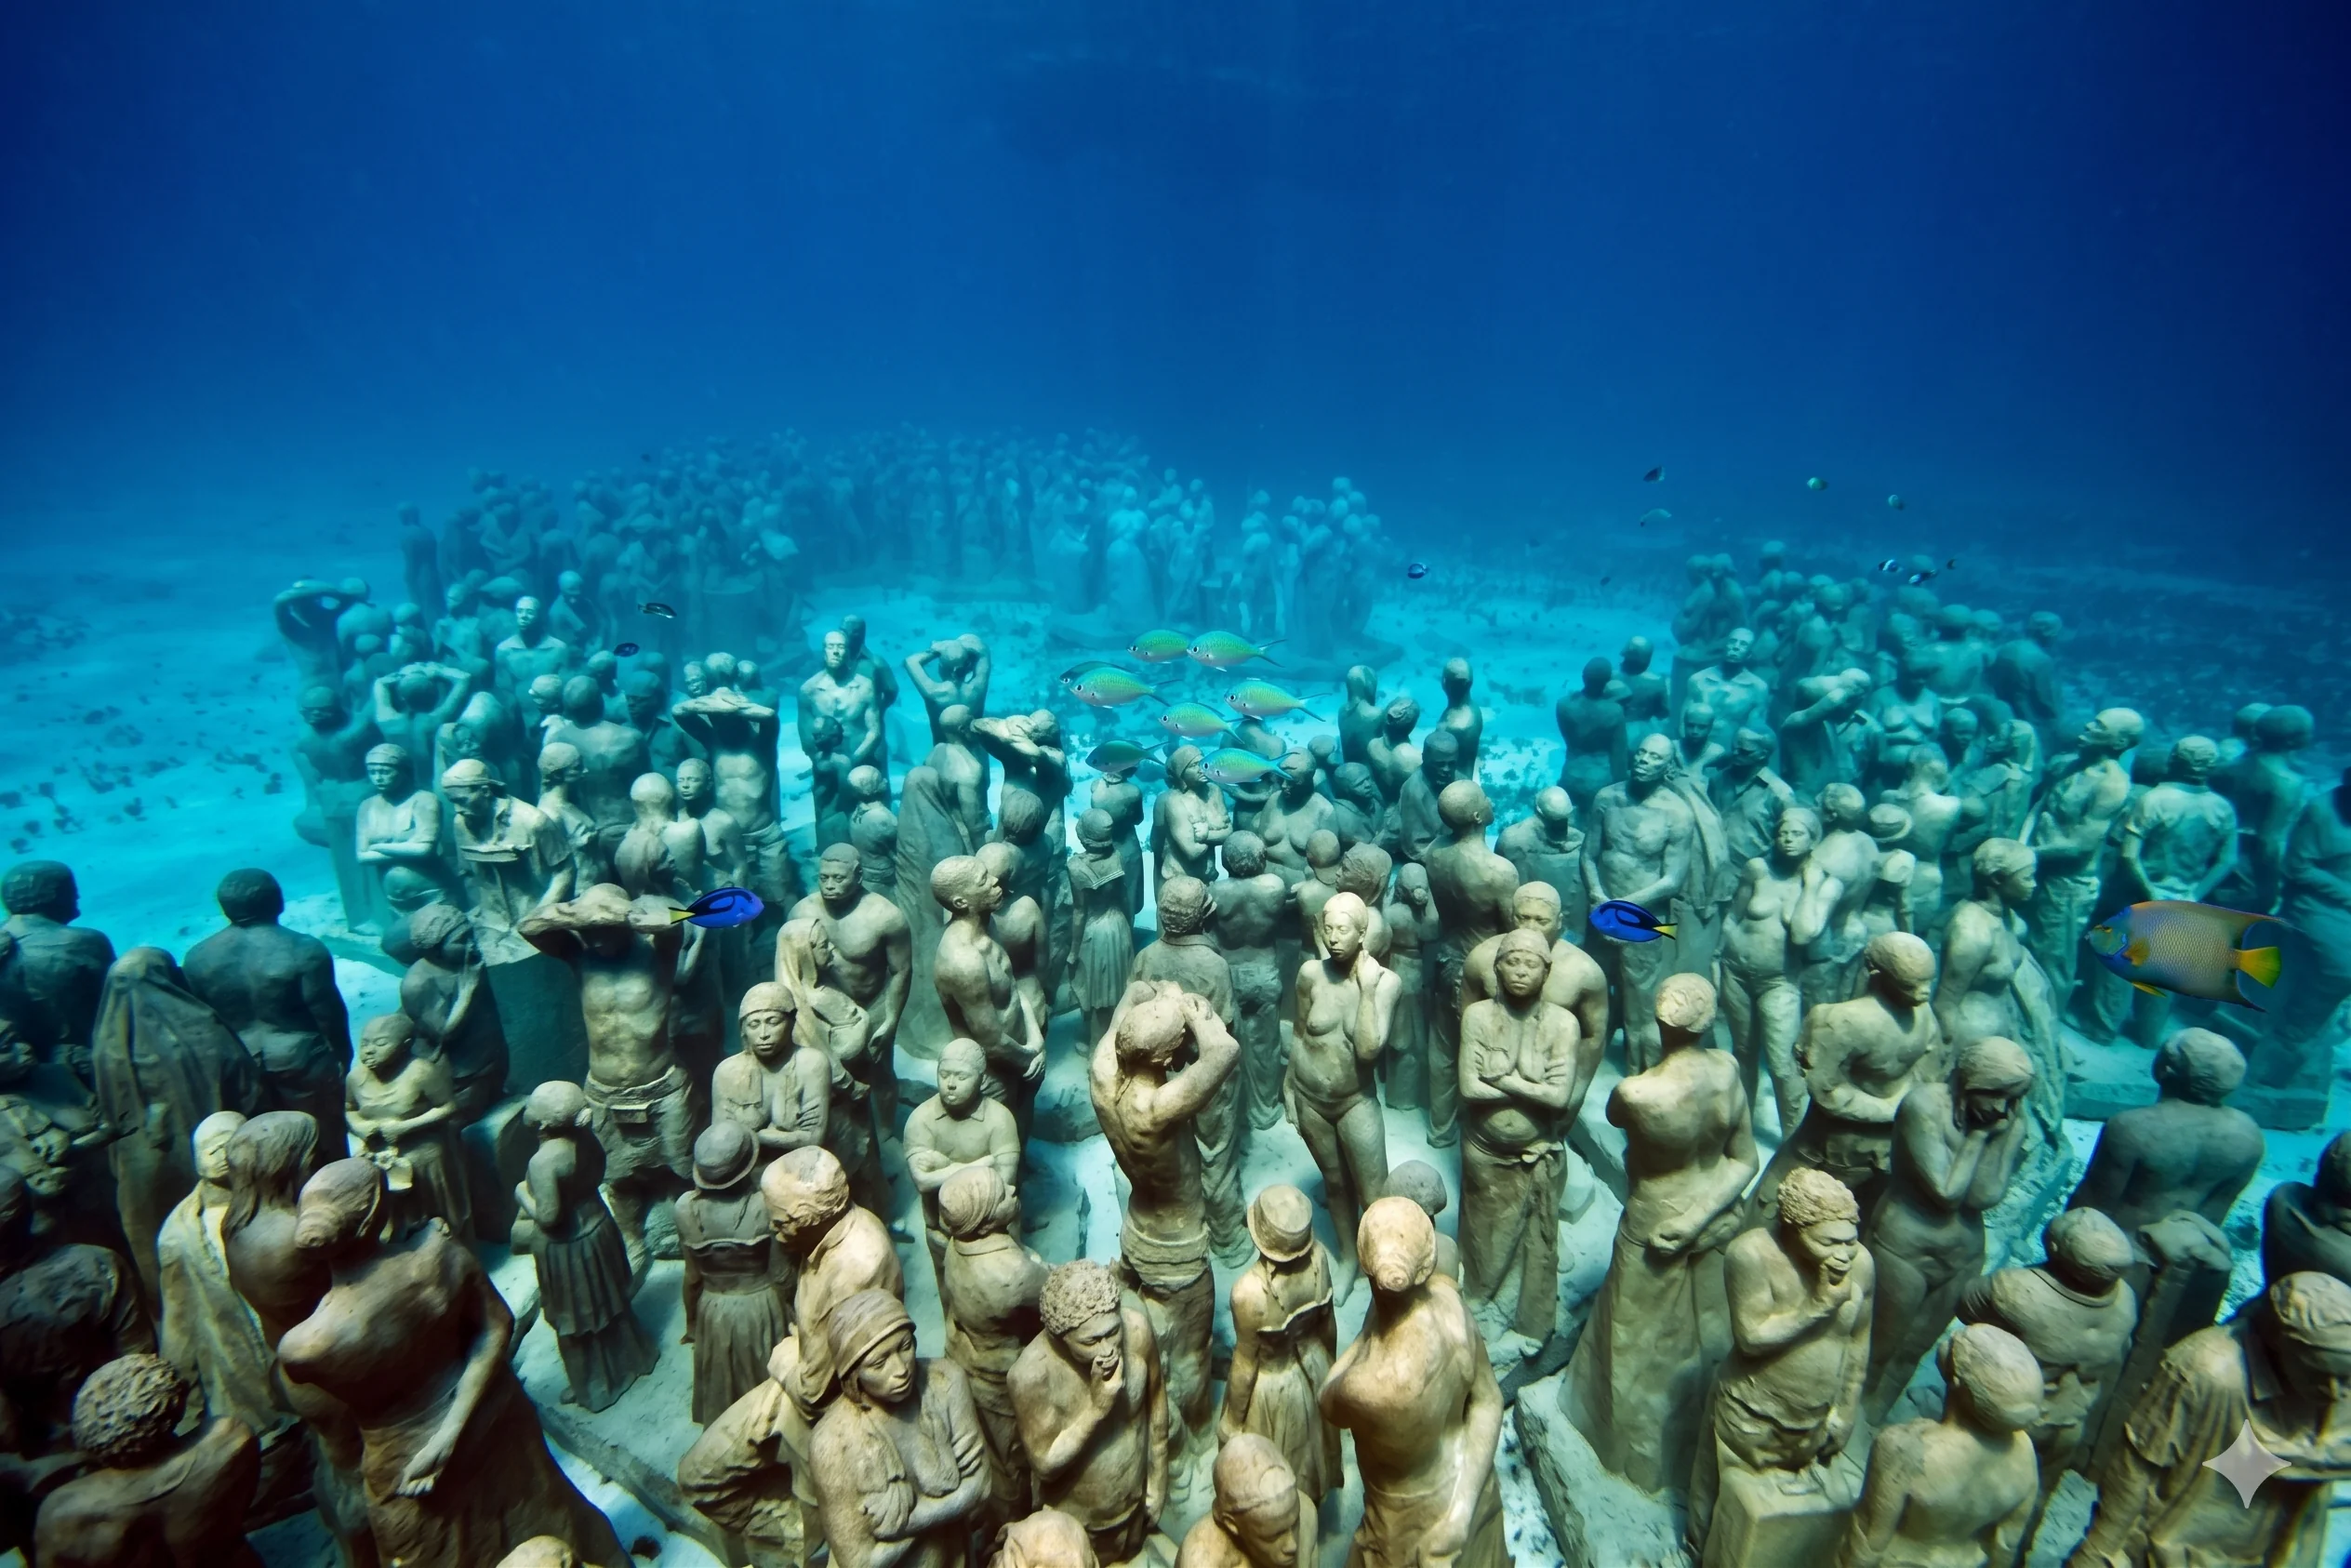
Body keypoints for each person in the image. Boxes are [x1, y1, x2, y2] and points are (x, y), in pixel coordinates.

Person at [276, 1159, 626, 1568]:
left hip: (409, 1461)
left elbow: (327, 1421)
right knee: (544, 1512)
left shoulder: (303, 1345)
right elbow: (498, 1324)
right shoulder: (436, 1254)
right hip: (491, 1417)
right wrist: (450, 1431)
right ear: (375, 1212)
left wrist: (439, 1441)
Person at [1562, 973, 1756, 1493]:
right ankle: (1685, 1460)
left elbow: (1612, 1114)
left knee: (1630, 1347)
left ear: (1658, 1019)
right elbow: (1744, 1162)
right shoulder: (1729, 1072)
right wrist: (1701, 1218)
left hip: (1657, 1224)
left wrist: (1685, 1223)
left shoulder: (1639, 1092)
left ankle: (1628, 1455)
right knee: (1705, 1343)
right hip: (1717, 1218)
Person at [2066, 1271, 2351, 1567]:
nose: (2336, 1392)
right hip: (2169, 1554)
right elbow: (2136, 1468)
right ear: (2280, 1345)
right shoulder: (2205, 1371)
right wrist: (2097, 1552)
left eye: (2345, 1377)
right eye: (2318, 1375)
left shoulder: (2338, 1391)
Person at [1319, 1197, 1508, 1568]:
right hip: (1473, 1487)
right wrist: (1463, 1510)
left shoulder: (1370, 1384)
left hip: (1412, 1527)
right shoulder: (1453, 1308)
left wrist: (1372, 1329)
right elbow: (1489, 1402)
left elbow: (1326, 1400)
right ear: (1427, 1266)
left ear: (1364, 1266)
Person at [90, 948, 262, 1308]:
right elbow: (247, 1086)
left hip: (144, 1164)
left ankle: (170, 1305)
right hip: (214, 1149)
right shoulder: (204, 1026)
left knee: (161, 1237)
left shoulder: (107, 1044)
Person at [806, 1289, 990, 1568]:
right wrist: (952, 1504)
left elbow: (980, 1487)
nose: (901, 1369)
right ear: (853, 1374)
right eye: (879, 1363)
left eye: (904, 1346)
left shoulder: (945, 1382)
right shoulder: (832, 1442)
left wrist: (909, 1522)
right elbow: (860, 1562)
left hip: (954, 1558)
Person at [1008, 1260, 1170, 1566]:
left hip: (1134, 1504)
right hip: (1078, 1526)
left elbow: (1157, 1406)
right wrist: (1096, 1411)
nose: (1108, 1349)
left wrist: (1158, 1482)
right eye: (1092, 1341)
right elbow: (1045, 1463)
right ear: (1059, 1338)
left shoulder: (1136, 1331)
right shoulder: (1032, 1376)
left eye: (1112, 1332)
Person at [182, 869, 353, 1152]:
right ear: (278, 902)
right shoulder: (304, 949)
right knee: (322, 1143)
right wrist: (342, 1057)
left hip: (239, 1065)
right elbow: (327, 1013)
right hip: (301, 1061)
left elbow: (203, 1022)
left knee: (260, 1151)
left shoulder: (198, 957)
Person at [1219, 1185, 1340, 1510]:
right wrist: (1330, 1377)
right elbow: (1328, 1330)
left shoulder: (1248, 1293)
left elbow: (1245, 1364)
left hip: (1271, 1392)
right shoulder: (1320, 1262)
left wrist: (1231, 1420)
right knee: (1309, 1457)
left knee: (1270, 1474)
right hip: (1315, 1369)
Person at [675, 1122, 790, 1427]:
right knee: (766, 1383)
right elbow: (780, 1274)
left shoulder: (685, 1209)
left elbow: (692, 1278)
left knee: (724, 1380)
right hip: (762, 1307)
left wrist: (692, 1323)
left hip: (714, 1310)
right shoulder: (764, 1204)